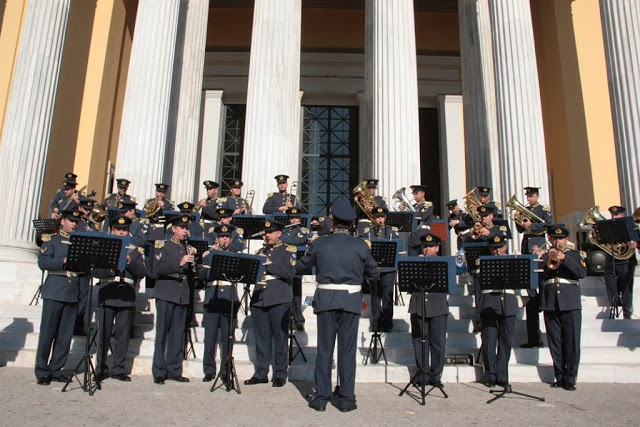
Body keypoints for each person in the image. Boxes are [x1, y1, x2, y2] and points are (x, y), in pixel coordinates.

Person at [296, 199, 379, 412]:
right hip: (350, 301)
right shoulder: (360, 245)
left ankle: (321, 397)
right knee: (347, 350)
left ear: (332, 222)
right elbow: (374, 274)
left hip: (325, 299)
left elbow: (302, 267)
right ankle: (346, 399)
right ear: (351, 224)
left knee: (325, 349)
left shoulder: (319, 243)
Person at [94, 215, 146, 382]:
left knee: (122, 334)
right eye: (118, 229)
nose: (121, 233)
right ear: (112, 230)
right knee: (104, 333)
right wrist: (112, 267)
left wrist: (129, 262)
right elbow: (96, 272)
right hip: (108, 291)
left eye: (124, 230)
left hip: (126, 294)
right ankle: (100, 367)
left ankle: (118, 368)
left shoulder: (135, 250)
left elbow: (142, 273)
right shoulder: (104, 248)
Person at [245, 220, 296, 387]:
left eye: (270, 232)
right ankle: (261, 372)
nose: (267, 235)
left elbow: (290, 273)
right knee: (261, 337)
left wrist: (269, 264)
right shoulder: (260, 250)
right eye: (265, 233)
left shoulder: (289, 250)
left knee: (280, 337)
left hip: (279, 297)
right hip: (260, 297)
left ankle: (280, 373)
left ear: (279, 233)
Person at [34, 208, 83, 385]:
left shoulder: (79, 242)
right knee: (48, 332)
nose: (74, 224)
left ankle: (56, 368)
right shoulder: (52, 240)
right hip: (55, 289)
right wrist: (62, 261)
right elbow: (43, 262)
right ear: (62, 221)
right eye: (71, 220)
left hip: (72, 291)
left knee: (65, 335)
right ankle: (42, 370)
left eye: (76, 221)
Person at [151, 214, 199, 384]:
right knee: (162, 333)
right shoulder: (163, 245)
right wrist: (180, 263)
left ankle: (174, 369)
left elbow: (193, 274)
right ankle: (158, 371)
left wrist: (194, 260)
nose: (186, 231)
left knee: (177, 335)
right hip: (166, 293)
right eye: (182, 228)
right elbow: (157, 268)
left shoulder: (188, 247)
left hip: (182, 295)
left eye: (187, 228)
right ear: (174, 229)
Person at [539, 224, 587, 390]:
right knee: (555, 342)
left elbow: (581, 273)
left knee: (572, 341)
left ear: (566, 239)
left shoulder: (574, 255)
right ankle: (559, 376)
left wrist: (564, 259)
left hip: (570, 302)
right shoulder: (545, 256)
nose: (557, 241)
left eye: (560, 238)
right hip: (551, 302)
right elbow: (540, 277)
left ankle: (570, 377)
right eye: (554, 238)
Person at [199, 224, 241, 383]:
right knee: (209, 337)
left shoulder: (235, 255)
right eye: (222, 237)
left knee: (227, 337)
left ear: (231, 239)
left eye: (227, 237)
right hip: (212, 297)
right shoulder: (208, 254)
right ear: (217, 238)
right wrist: (212, 258)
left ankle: (226, 371)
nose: (224, 239)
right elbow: (202, 274)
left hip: (229, 298)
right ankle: (209, 370)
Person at [408, 232, 448, 388]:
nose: (427, 249)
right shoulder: (415, 262)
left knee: (438, 343)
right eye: (425, 247)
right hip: (418, 305)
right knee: (419, 341)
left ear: (437, 248)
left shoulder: (443, 264)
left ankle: (436, 375)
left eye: (431, 247)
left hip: (437, 306)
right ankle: (422, 373)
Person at [478, 235, 518, 388]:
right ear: (489, 249)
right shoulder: (482, 262)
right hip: (489, 302)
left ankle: (502, 374)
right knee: (489, 341)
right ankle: (490, 374)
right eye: (494, 248)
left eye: (500, 247)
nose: (497, 251)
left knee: (505, 342)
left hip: (508, 302)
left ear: (505, 247)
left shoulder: (514, 262)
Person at [516, 186, 552, 348]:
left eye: (531, 196)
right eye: (528, 196)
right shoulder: (525, 209)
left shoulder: (543, 210)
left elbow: (548, 226)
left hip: (538, 245)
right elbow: (519, 229)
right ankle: (533, 338)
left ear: (537, 195)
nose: (529, 198)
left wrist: (532, 225)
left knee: (541, 285)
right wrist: (518, 220)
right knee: (530, 290)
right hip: (526, 246)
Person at [360, 206, 400, 332]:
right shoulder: (368, 231)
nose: (380, 220)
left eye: (382, 217)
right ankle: (375, 323)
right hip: (374, 269)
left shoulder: (393, 231)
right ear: (374, 218)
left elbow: (398, 247)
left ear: (385, 218)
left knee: (387, 297)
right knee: (375, 297)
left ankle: (388, 324)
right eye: (377, 217)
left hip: (388, 270)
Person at [603, 205, 638, 319]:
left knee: (626, 288)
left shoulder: (632, 226)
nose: (613, 217)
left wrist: (636, 244)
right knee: (611, 285)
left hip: (626, 260)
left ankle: (627, 312)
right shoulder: (607, 227)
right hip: (611, 259)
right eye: (612, 215)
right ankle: (614, 307)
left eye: (616, 215)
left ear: (622, 215)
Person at [280, 207, 310, 331]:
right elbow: (282, 240)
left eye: (296, 217)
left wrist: (285, 240)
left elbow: (298, 240)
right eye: (292, 218)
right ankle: (286, 318)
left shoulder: (303, 230)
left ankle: (298, 319)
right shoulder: (283, 230)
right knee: (285, 292)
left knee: (296, 292)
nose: (294, 220)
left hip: (296, 264)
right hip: (283, 265)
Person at [408, 185, 438, 255]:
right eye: (413, 194)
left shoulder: (428, 205)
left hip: (423, 237)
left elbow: (421, 216)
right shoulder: (414, 206)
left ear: (422, 194)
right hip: (413, 239)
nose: (414, 196)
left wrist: (410, 211)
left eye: (416, 194)